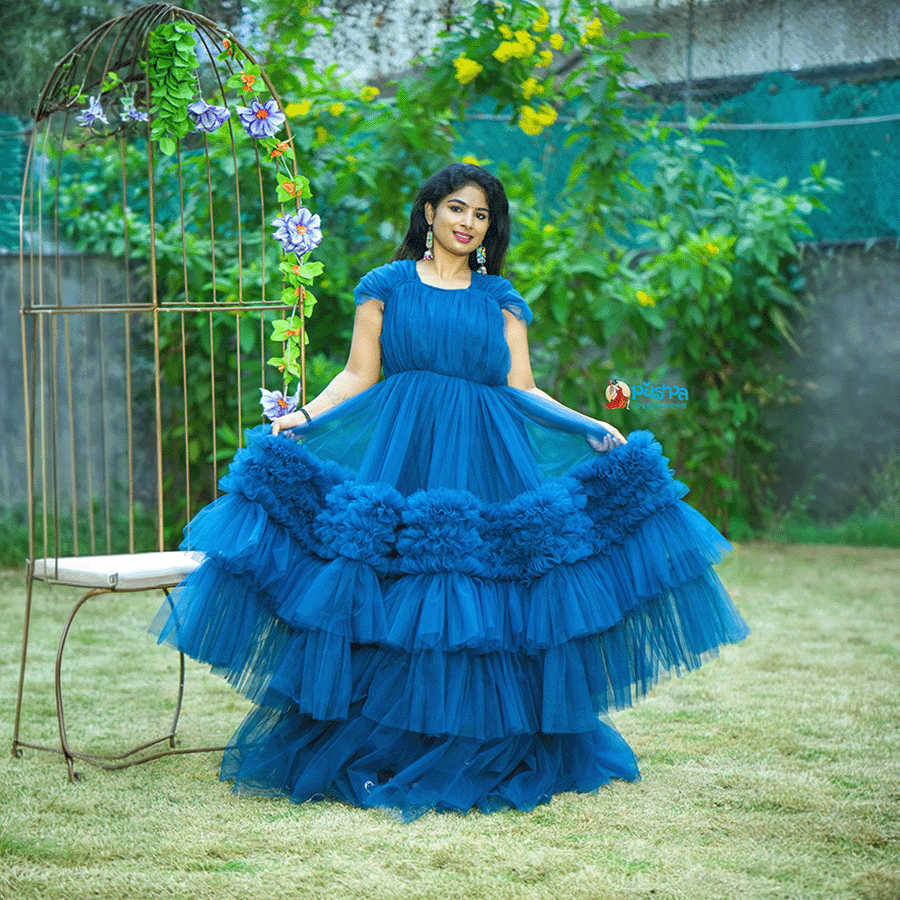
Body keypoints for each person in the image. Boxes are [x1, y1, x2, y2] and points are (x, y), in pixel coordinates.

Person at [152, 162, 748, 819]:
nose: (469, 223)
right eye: (458, 209)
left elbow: (521, 388)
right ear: (430, 211)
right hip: (402, 452)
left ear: (491, 229)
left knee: (480, 596)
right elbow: (357, 374)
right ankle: (382, 745)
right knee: (392, 590)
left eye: (482, 215)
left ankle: (476, 741)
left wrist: (590, 424)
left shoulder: (501, 300)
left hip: (486, 457)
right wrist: (305, 418)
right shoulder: (385, 286)